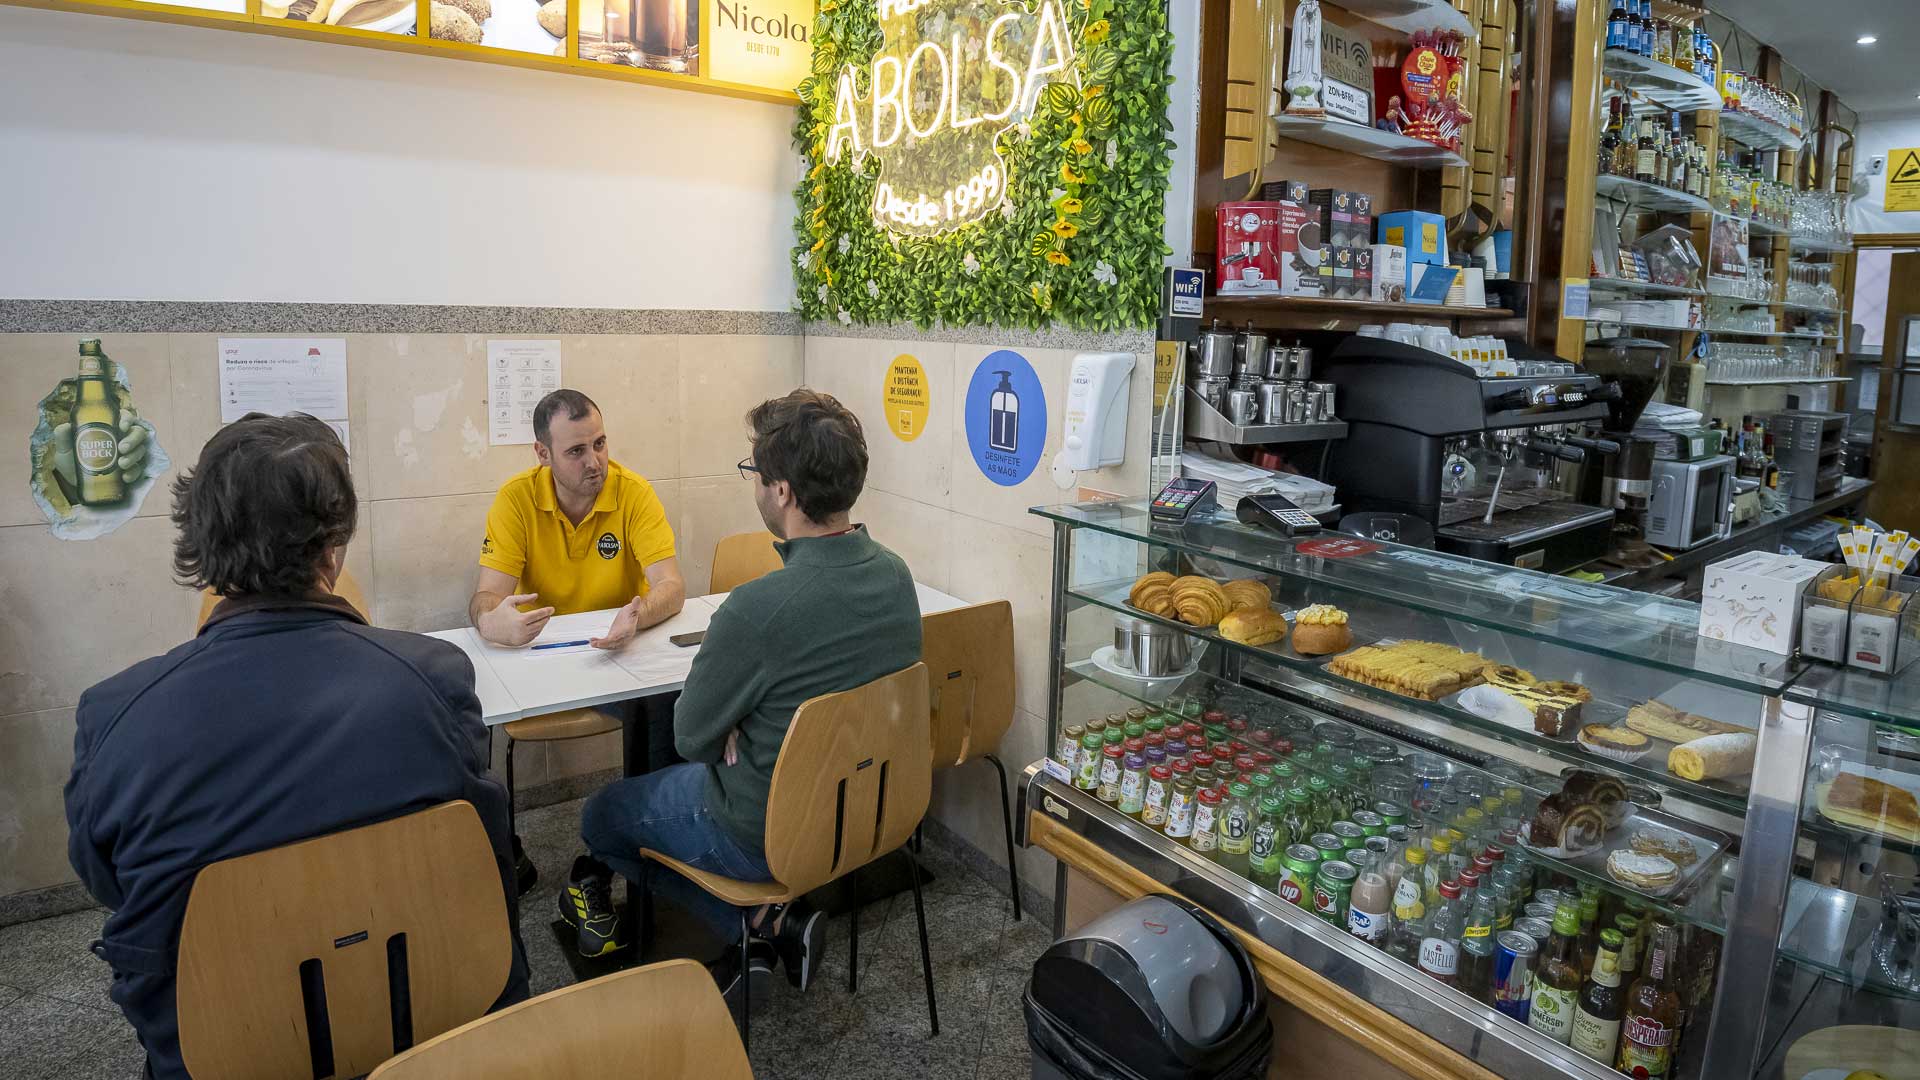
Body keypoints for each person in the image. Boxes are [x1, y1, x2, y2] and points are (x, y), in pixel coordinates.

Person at [65, 414, 529, 1080]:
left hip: (222, 1049)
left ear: (199, 545)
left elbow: (110, 881)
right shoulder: (434, 679)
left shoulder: (116, 717)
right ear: (334, 548)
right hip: (430, 1022)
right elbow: (477, 854)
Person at [560, 389, 921, 997]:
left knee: (601, 818)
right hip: (873, 813)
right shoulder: (896, 575)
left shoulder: (755, 609)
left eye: (754, 471)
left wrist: (737, 722)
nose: (752, 483)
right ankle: (776, 920)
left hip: (763, 831)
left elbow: (691, 737)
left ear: (781, 491)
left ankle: (747, 925)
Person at [469, 388, 686, 894]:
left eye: (601, 443)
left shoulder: (632, 490)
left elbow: (671, 587)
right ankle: (500, 853)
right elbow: (484, 597)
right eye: (576, 451)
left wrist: (638, 614)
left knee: (665, 702)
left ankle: (649, 848)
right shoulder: (516, 498)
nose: (596, 462)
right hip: (538, 657)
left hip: (612, 654)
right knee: (464, 704)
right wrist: (489, 622)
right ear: (542, 454)